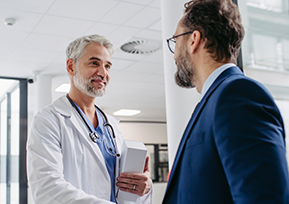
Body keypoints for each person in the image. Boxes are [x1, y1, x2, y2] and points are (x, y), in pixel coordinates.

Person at [162, 0, 289, 203]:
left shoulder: (237, 95)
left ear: (193, 39)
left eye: (176, 41)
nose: (175, 54)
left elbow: (263, 198)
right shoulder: (214, 100)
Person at [27, 34, 152, 204]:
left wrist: (143, 186)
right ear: (71, 67)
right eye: (94, 63)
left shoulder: (111, 127)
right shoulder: (48, 121)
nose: (103, 73)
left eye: (107, 66)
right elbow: (46, 189)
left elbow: (120, 187)